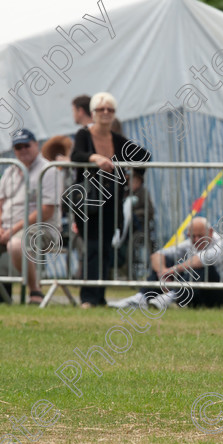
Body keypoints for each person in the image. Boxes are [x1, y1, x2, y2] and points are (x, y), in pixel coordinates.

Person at [70, 92, 151, 308]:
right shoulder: (83, 135)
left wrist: (134, 177)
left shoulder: (117, 139)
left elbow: (144, 156)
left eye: (110, 109)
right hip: (87, 203)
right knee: (92, 248)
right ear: (93, 112)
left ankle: (100, 297)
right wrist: (94, 158)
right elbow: (75, 155)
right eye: (101, 109)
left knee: (105, 249)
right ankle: (88, 297)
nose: (105, 113)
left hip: (112, 202)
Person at [0, 129, 61, 305]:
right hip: (6, 228)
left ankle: (35, 291)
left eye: (26, 145)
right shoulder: (10, 170)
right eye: (18, 147)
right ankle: (0, 290)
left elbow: (46, 210)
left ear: (36, 145)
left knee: (16, 244)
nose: (23, 150)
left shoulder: (48, 170)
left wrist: (12, 230)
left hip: (41, 228)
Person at [109, 217, 223, 309]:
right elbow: (157, 255)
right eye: (192, 236)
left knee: (202, 268)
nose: (196, 240)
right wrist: (162, 272)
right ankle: (142, 297)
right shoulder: (191, 243)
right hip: (199, 297)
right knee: (168, 260)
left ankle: (171, 296)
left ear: (211, 232)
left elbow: (200, 261)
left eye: (200, 236)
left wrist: (171, 271)